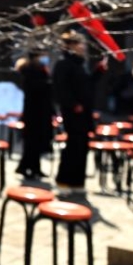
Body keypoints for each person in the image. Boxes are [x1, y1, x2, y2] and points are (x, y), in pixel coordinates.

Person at [52, 30, 94, 193]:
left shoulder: (80, 64)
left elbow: (87, 86)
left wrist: (98, 72)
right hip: (73, 113)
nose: (83, 47)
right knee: (72, 146)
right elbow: (61, 89)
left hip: (84, 113)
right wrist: (73, 104)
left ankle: (77, 182)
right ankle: (63, 180)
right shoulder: (63, 64)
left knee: (82, 146)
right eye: (79, 43)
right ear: (70, 46)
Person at [16, 49, 54, 180]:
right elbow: (35, 89)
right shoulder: (30, 70)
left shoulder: (42, 69)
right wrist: (48, 84)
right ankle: (27, 167)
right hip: (33, 112)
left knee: (37, 141)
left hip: (41, 111)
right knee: (31, 141)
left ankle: (34, 167)